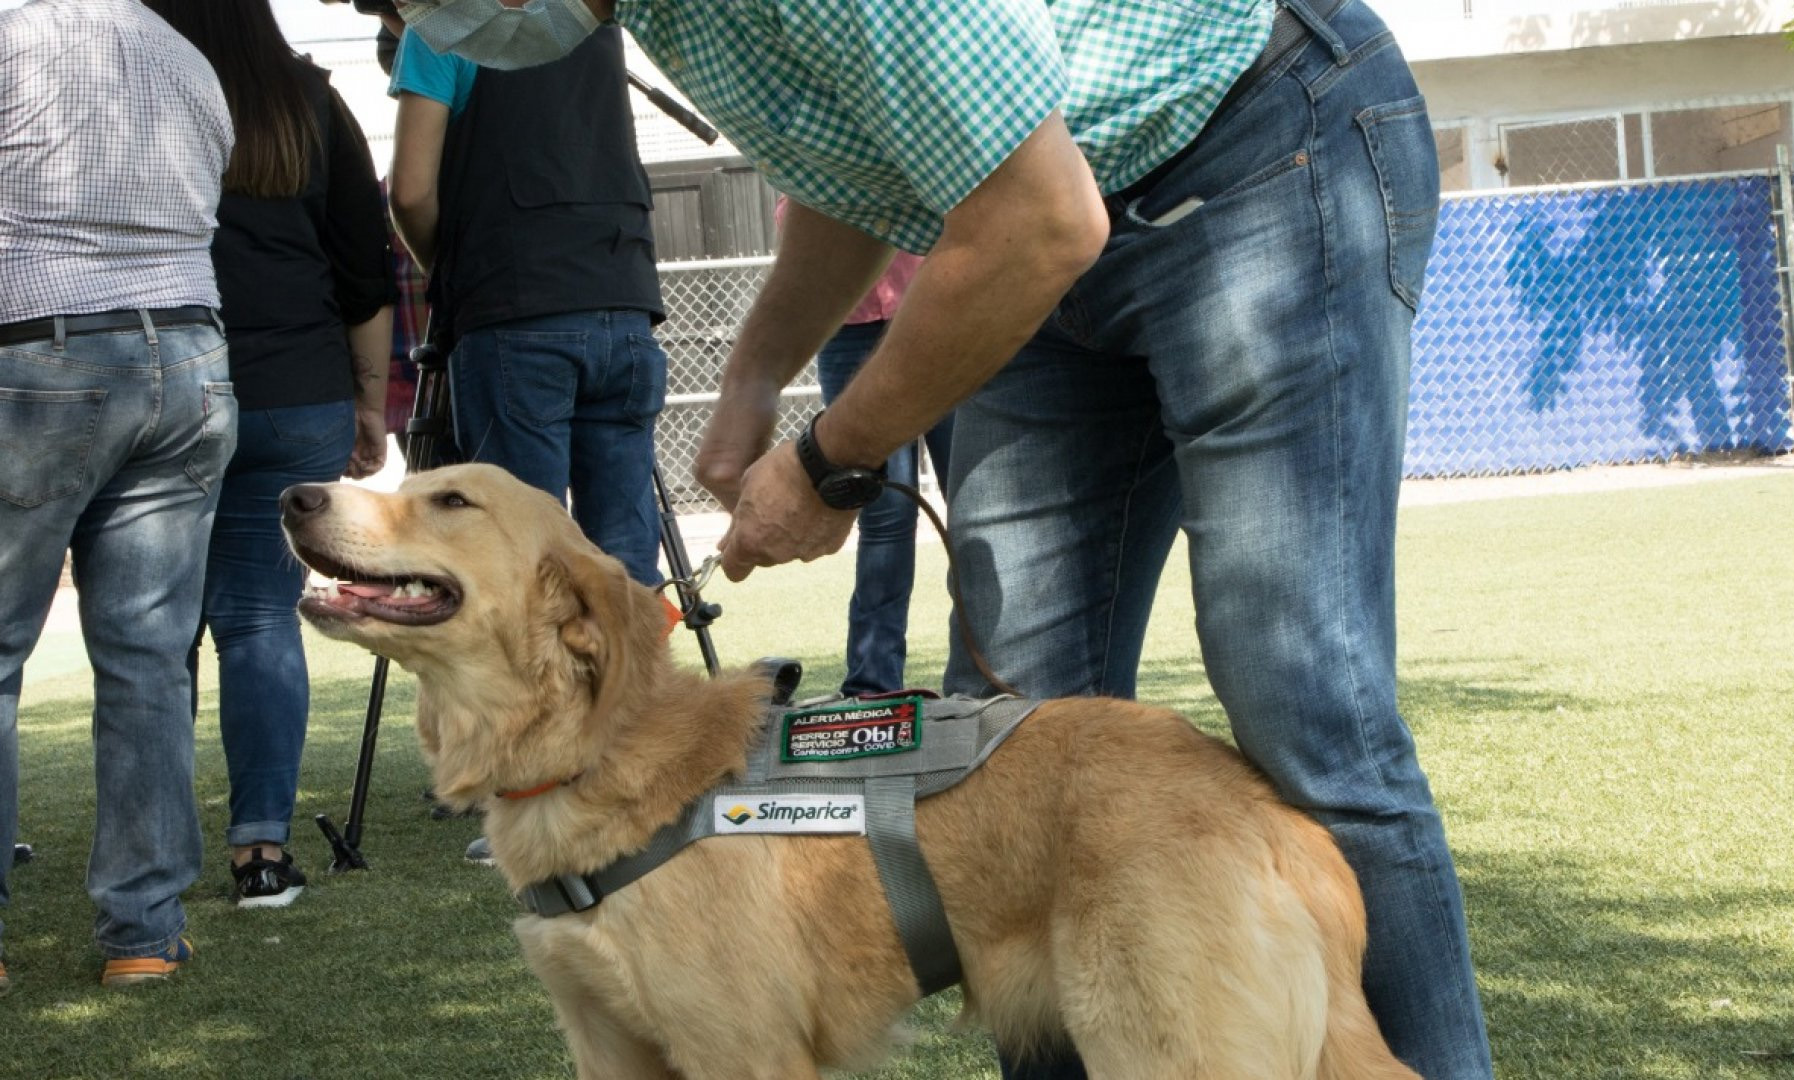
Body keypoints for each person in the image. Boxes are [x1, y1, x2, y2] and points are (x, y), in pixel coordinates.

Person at [407, 0, 1492, 1076]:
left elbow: (1043, 218)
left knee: (1304, 708)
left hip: (1255, 145)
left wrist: (833, 460)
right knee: (1009, 735)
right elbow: (865, 173)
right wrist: (753, 372)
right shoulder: (662, 14)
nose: (409, 19)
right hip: (1040, 223)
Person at [0, 0, 234, 987]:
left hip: (40, 349)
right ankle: (144, 935)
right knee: (148, 660)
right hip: (189, 351)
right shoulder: (185, 56)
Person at [144, 0, 398, 908]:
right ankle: (262, 857)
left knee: (152, 634)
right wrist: (370, 403)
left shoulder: (138, 90)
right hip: (298, 392)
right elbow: (363, 265)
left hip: (169, 383)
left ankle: (149, 868)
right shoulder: (307, 101)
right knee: (258, 620)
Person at [385, 20, 668, 587]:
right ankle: (635, 675)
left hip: (511, 310)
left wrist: (450, 269)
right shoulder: (594, 20)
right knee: (626, 566)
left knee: (521, 561)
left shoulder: (441, 26)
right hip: (623, 295)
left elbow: (410, 192)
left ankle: (538, 680)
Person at [777, 199, 951, 696]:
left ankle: (986, 668)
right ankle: (871, 684)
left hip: (933, 314)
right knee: (883, 512)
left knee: (973, 501)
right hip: (847, 328)